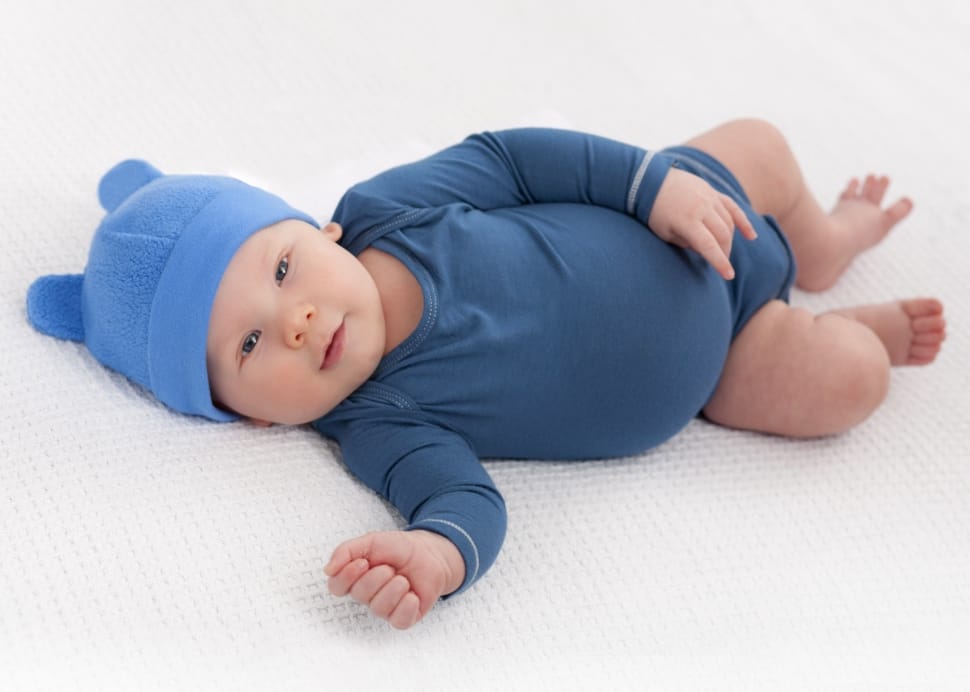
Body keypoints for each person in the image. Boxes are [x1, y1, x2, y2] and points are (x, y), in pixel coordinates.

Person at [26, 119, 946, 630]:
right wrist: (438, 555)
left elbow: (514, 158)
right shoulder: (379, 422)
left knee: (761, 143)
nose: (297, 320)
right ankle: (823, 320)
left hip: (691, 216)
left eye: (280, 271)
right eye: (250, 349)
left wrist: (651, 187)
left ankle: (819, 247)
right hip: (721, 366)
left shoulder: (389, 208)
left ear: (320, 230)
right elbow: (463, 498)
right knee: (850, 381)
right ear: (251, 419)